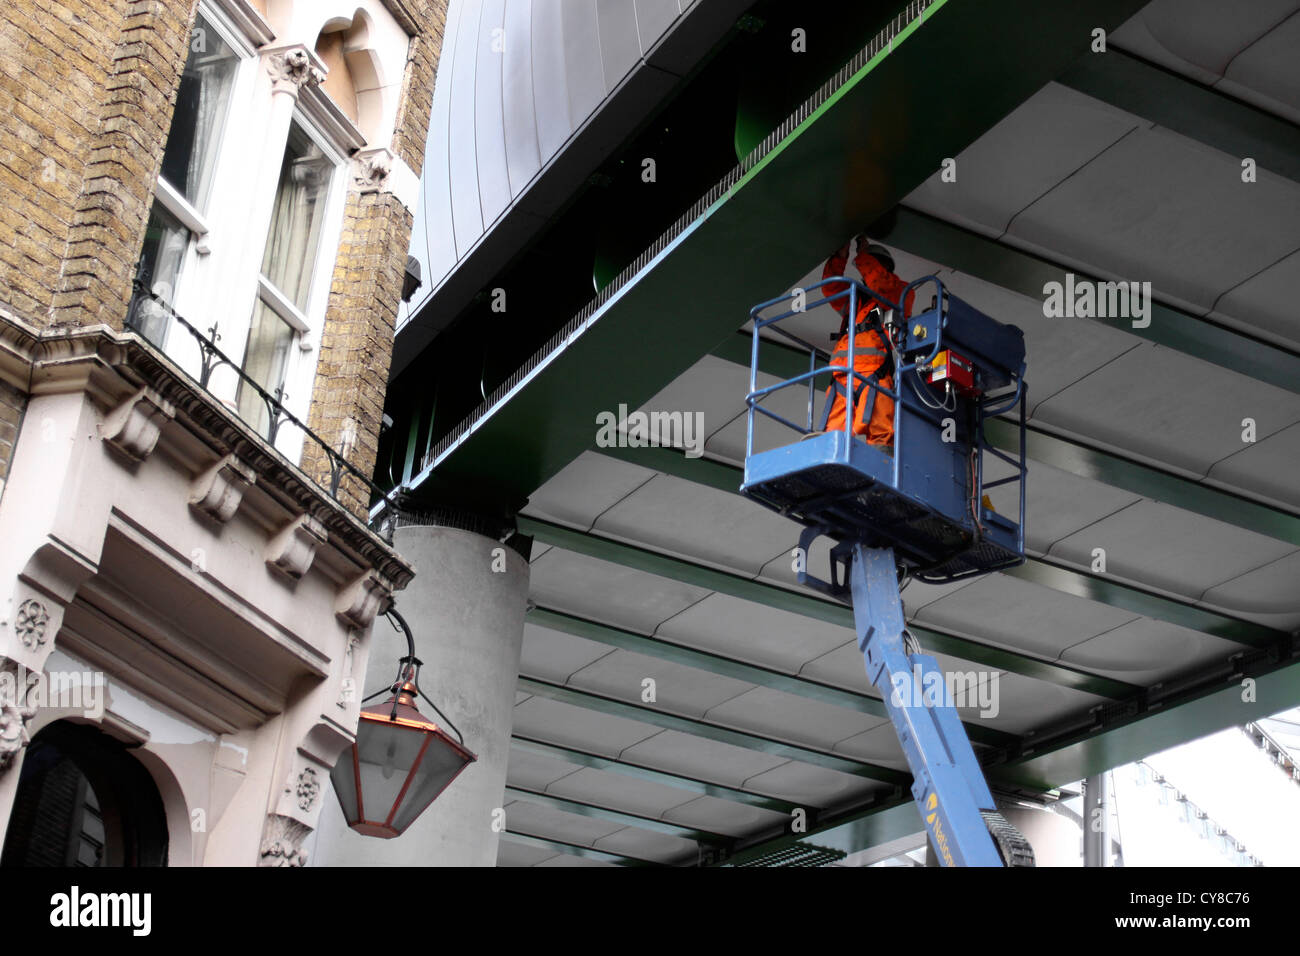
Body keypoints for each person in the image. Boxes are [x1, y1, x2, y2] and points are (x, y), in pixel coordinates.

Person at [819, 235, 914, 448]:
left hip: (876, 373)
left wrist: (863, 254)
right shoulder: (857, 298)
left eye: (870, 264)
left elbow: (880, 283)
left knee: (881, 435)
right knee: (833, 439)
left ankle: (882, 473)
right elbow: (830, 289)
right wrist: (840, 257)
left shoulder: (901, 291)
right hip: (843, 375)